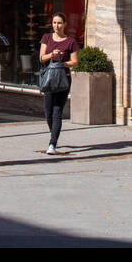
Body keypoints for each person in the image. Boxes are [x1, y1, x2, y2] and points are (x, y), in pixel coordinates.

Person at [38, 13, 79, 155]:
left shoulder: (70, 41)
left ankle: (52, 143)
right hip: (49, 79)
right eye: (55, 23)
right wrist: (52, 55)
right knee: (48, 113)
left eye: (60, 23)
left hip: (63, 79)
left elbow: (74, 62)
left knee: (57, 112)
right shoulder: (46, 38)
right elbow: (41, 57)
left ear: (65, 24)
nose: (57, 26)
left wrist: (61, 61)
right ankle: (54, 133)